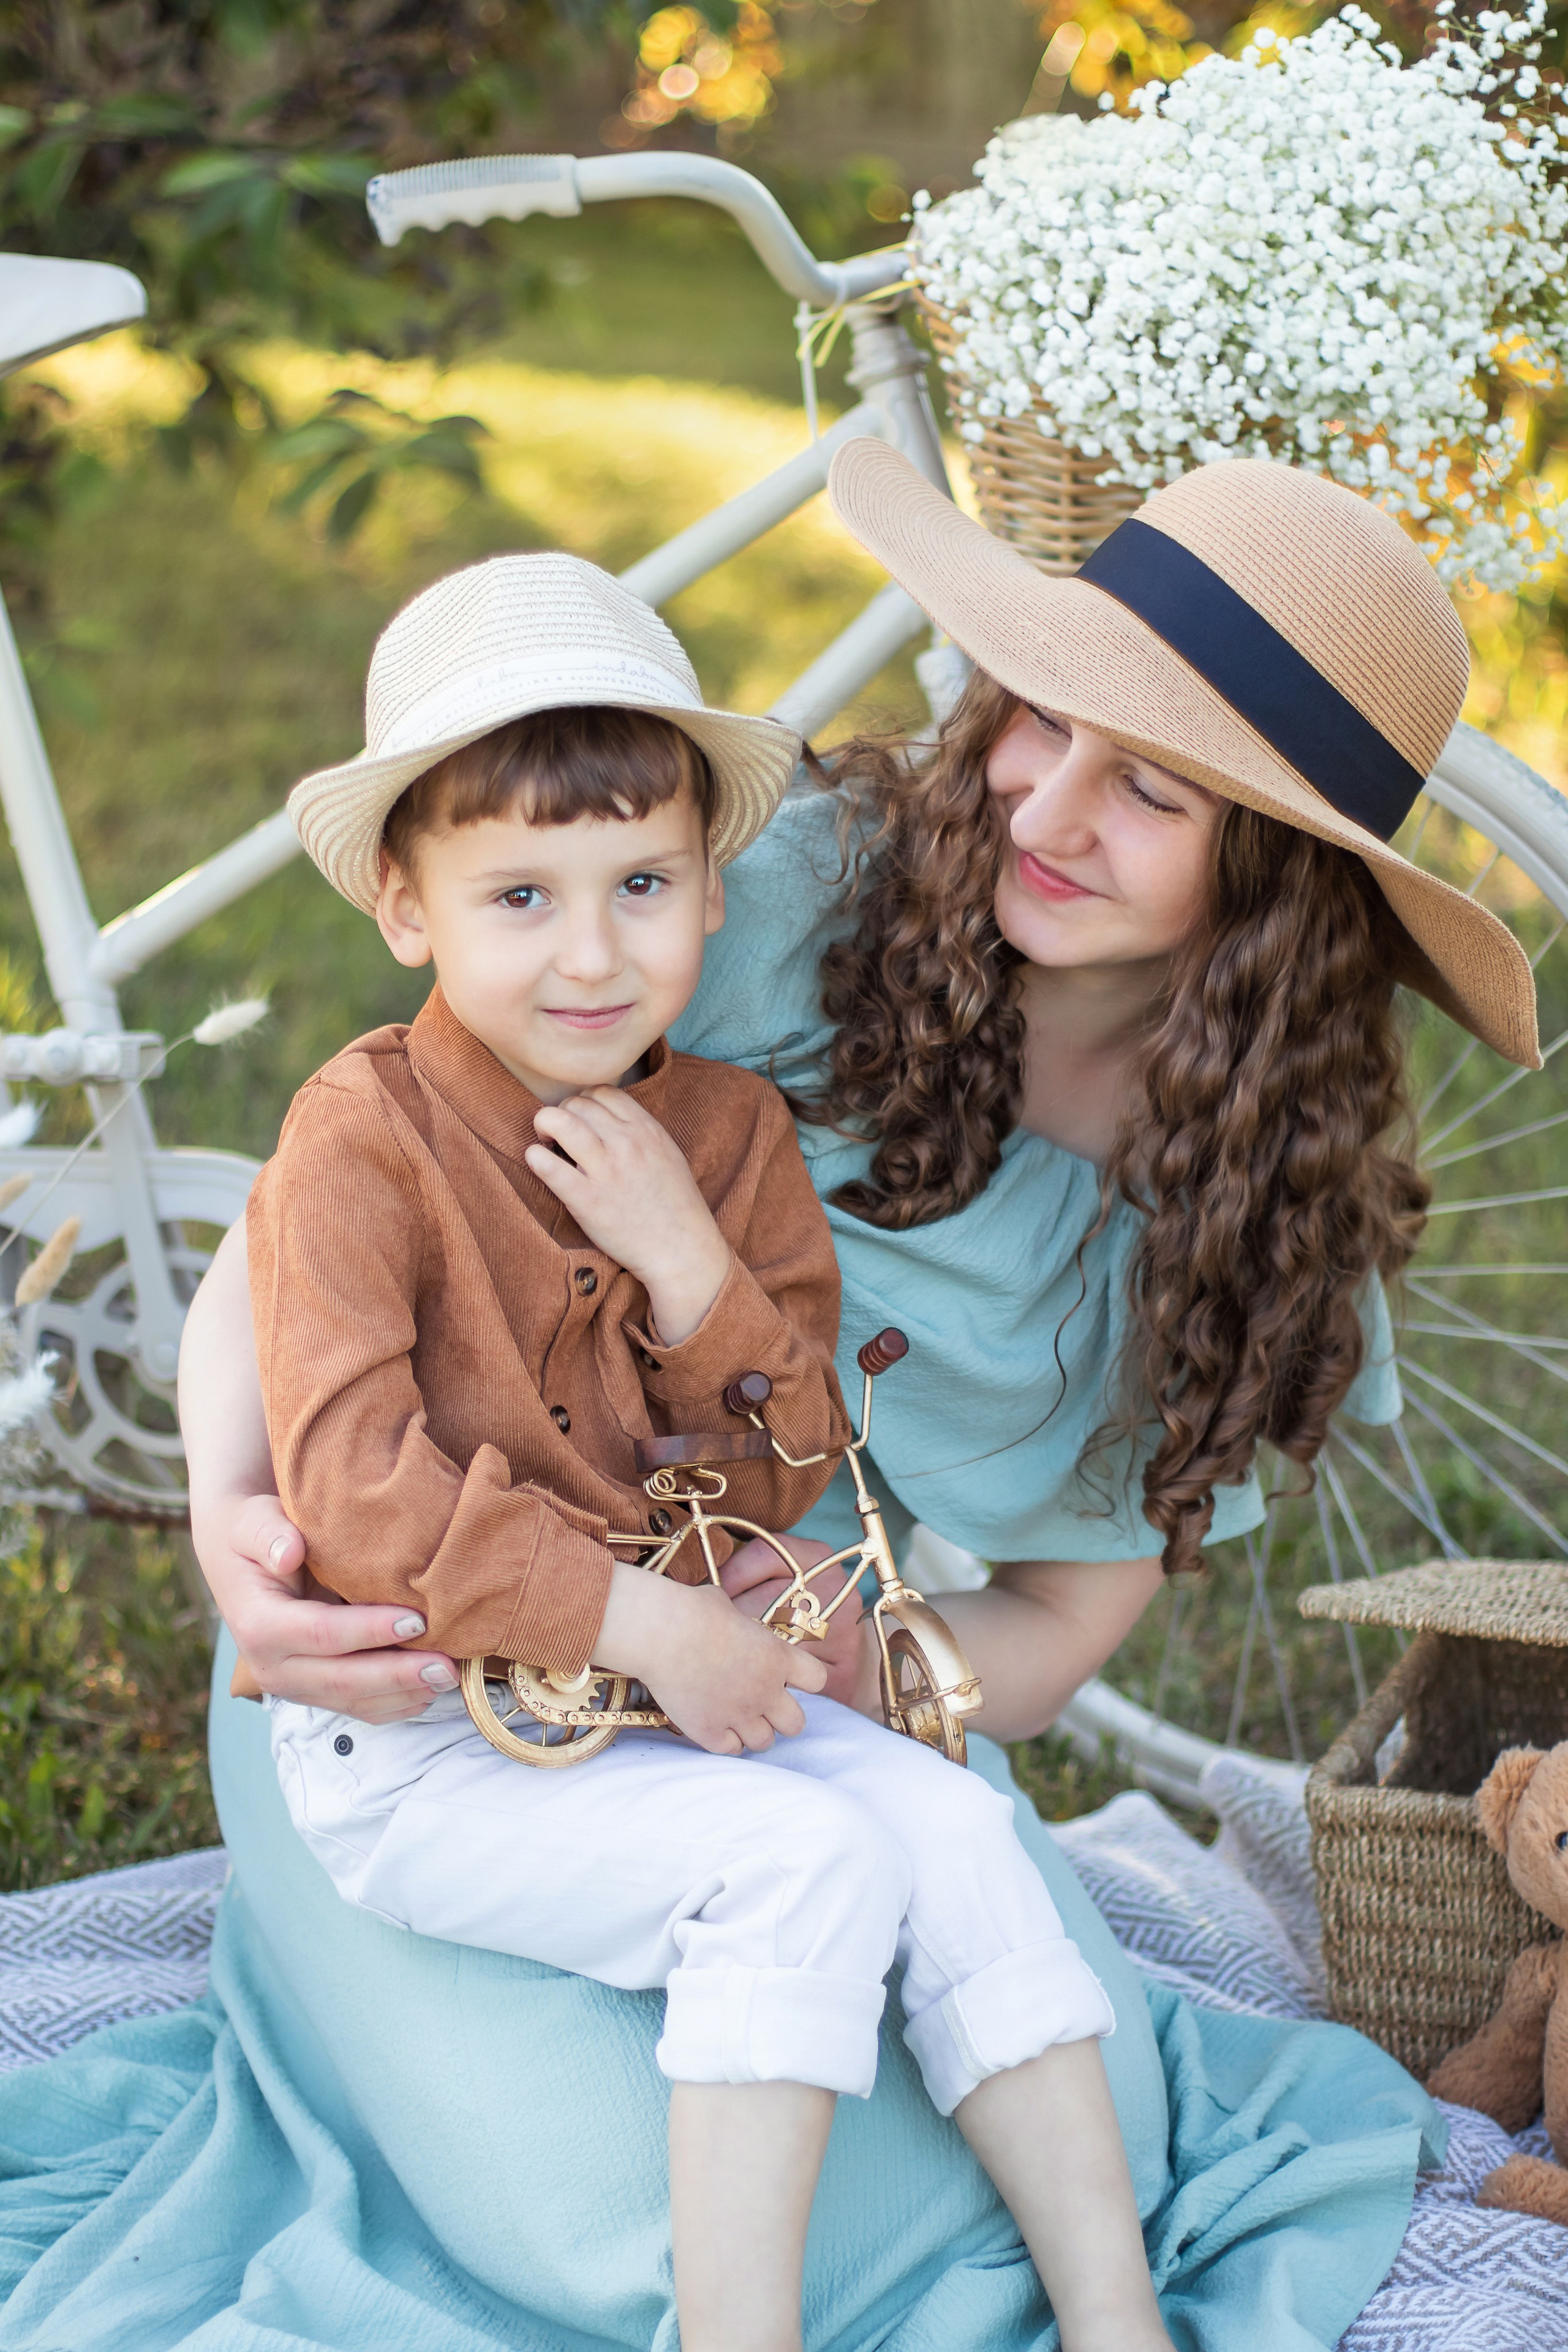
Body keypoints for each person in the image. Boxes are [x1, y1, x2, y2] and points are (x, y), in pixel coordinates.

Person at [29, 445, 1520, 2350]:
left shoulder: (1259, 1224)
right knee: (639, 2217)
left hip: (779, 1668)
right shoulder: (777, 903)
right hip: (441, 1638)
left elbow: (1056, 1625)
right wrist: (248, 1539)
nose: (1048, 807)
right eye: (1043, 722)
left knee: (1017, 2118)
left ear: (1286, 883)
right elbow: (323, 1248)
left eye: (1150, 789)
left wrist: (823, 1648)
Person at [244, 548, 1173, 2352]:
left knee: (952, 1833)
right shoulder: (362, 1138)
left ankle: (1115, 2316)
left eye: (643, 886)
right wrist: (642, 1621)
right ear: (403, 905)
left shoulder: (727, 1131)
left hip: (659, 1704)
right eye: (520, 893)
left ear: (707, 887)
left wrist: (689, 1266)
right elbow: (359, 1486)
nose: (592, 955)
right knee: (810, 1865)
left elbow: (788, 1464)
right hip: (437, 1734)